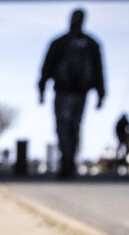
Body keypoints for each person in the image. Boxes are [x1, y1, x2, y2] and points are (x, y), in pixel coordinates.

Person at [38, 9, 105, 177]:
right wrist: (100, 93)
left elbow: (46, 68)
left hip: (64, 92)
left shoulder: (60, 42)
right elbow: (99, 71)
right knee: (73, 128)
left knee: (64, 128)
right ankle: (69, 160)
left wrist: (41, 89)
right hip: (80, 94)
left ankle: (67, 160)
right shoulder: (91, 44)